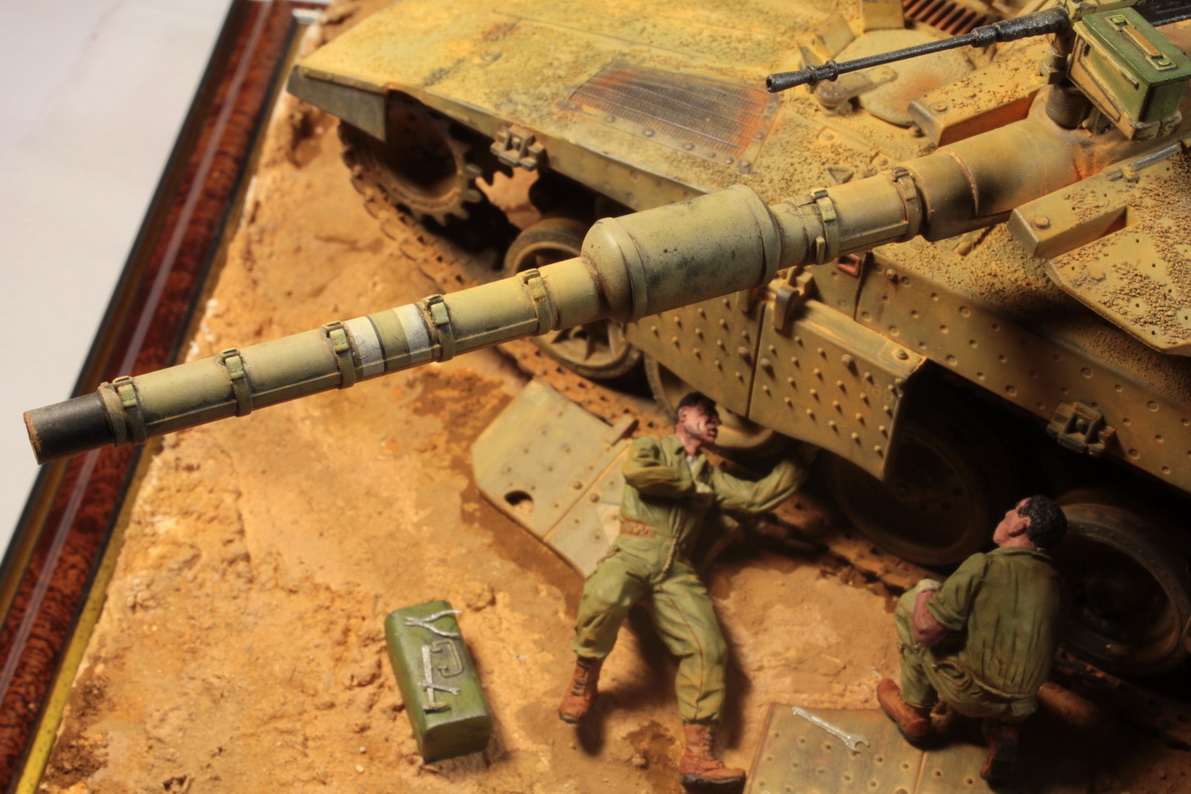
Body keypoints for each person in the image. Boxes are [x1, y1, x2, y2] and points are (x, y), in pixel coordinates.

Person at [558, 391, 808, 788]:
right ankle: (583, 678)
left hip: (676, 569)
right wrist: (691, 488)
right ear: (684, 414)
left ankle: (697, 755)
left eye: (716, 418)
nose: (715, 422)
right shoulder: (651, 448)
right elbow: (640, 475)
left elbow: (755, 497)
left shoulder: (710, 476)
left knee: (709, 648)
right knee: (603, 593)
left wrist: (806, 453)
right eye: (708, 413)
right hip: (635, 548)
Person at [877, 495, 1068, 787]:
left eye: (1015, 509)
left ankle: (914, 712)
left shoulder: (984, 564)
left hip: (968, 693)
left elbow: (926, 632)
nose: (1007, 512)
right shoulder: (1059, 584)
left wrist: (927, 588)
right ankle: (1004, 733)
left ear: (1021, 524)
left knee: (910, 605)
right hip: (1021, 705)